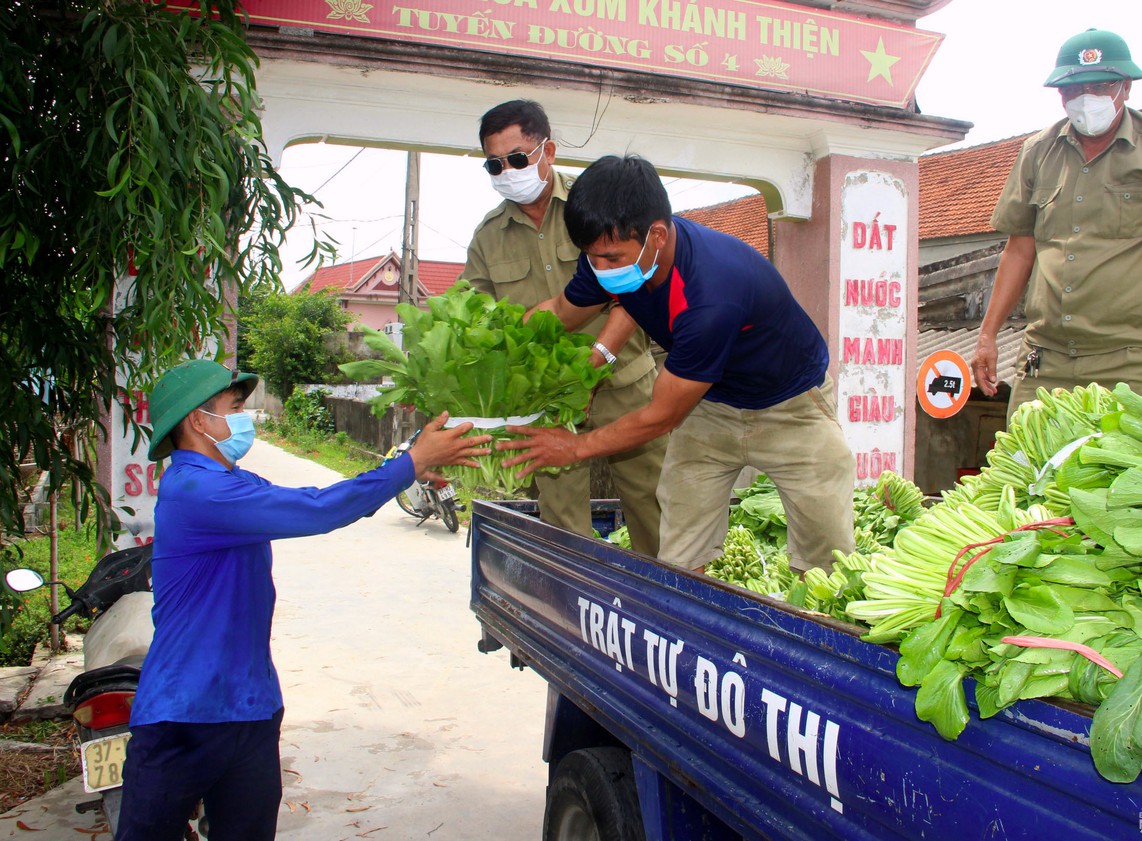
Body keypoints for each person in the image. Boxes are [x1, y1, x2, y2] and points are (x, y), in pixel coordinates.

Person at [116, 360, 490, 840]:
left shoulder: (235, 484)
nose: (245, 418)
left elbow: (320, 499)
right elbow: (318, 511)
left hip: (250, 709)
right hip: (184, 714)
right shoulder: (196, 490)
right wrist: (410, 462)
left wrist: (405, 471)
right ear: (198, 420)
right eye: (235, 408)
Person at [498, 154, 855, 573]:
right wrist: (495, 348)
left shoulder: (712, 294)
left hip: (792, 408)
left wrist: (573, 447)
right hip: (711, 407)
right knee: (681, 556)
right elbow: (561, 311)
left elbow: (660, 416)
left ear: (657, 236)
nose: (600, 268)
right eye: (592, 257)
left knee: (827, 561)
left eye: (611, 258)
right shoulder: (610, 255)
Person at [972, 27, 1142, 414]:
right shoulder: (1038, 152)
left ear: (1126, 87)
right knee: (1028, 470)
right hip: (1046, 359)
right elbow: (1019, 251)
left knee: (1128, 473)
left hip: (1132, 362)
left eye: (1100, 86)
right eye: (1072, 90)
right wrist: (987, 335)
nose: (1085, 99)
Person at [459, 99, 666, 556]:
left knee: (654, 505)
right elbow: (475, 324)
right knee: (561, 520)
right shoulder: (487, 238)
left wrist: (594, 364)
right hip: (547, 402)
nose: (507, 170)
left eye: (517, 158)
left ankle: (664, 611)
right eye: (495, 164)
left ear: (547, 151)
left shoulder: (596, 205)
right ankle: (578, 612)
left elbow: (635, 291)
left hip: (623, 383)